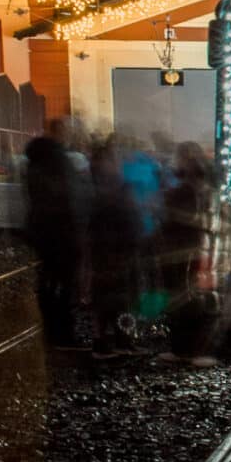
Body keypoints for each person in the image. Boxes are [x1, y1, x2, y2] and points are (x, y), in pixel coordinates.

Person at [156, 143, 220, 367]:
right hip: (195, 250)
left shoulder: (183, 193)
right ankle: (191, 349)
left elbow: (172, 219)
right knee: (193, 300)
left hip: (186, 251)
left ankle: (190, 349)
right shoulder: (208, 193)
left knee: (191, 301)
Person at [24, 121, 86, 350]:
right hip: (64, 231)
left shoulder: (34, 161)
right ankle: (63, 334)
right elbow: (71, 198)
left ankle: (50, 331)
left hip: (42, 229)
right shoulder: (59, 161)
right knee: (66, 284)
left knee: (49, 281)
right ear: (61, 133)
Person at [86, 142, 142, 360]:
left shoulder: (99, 185)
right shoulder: (114, 188)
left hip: (107, 247)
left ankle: (110, 340)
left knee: (108, 297)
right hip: (116, 247)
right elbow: (126, 216)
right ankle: (119, 340)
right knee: (121, 297)